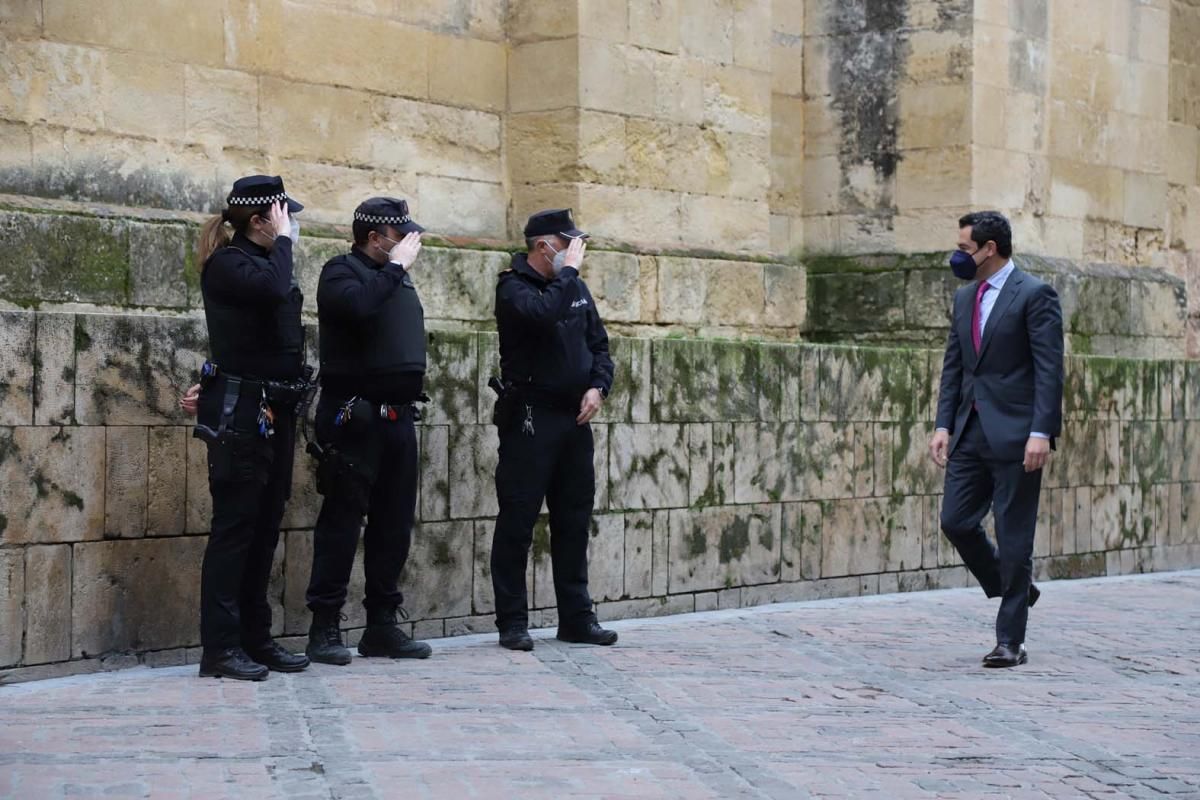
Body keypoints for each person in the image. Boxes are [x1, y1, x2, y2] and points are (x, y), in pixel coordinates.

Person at [181, 175, 313, 680]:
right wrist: (283, 243)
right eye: (283, 215)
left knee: (264, 529)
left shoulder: (264, 261)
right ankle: (220, 648)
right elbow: (273, 288)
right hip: (242, 414)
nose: (291, 224)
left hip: (274, 410)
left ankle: (256, 640)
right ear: (260, 220)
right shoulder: (230, 264)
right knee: (235, 529)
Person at [928, 211, 1064, 669]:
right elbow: (955, 367)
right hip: (969, 431)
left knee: (1013, 536)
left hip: (1018, 435)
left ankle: (1010, 640)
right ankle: (1017, 588)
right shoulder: (965, 298)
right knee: (956, 521)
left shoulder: (1035, 295)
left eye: (965, 248)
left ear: (990, 249)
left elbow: (1049, 369)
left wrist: (1041, 432)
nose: (957, 256)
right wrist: (943, 424)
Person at [303, 197, 432, 665]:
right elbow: (356, 309)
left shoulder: (395, 278)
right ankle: (324, 628)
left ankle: (381, 625)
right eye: (401, 237)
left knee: (393, 526)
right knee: (341, 524)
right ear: (375, 238)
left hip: (397, 417)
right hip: (354, 415)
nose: (410, 246)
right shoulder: (341, 272)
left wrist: (396, 271)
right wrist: (394, 269)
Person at [490, 208, 617, 651]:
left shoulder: (575, 287)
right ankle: (512, 622)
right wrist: (569, 275)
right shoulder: (513, 287)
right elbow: (542, 316)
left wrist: (599, 387)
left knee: (574, 520)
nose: (575, 252)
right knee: (518, 521)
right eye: (568, 243)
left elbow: (599, 346)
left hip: (574, 420)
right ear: (544, 246)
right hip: (531, 417)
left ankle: (577, 618)